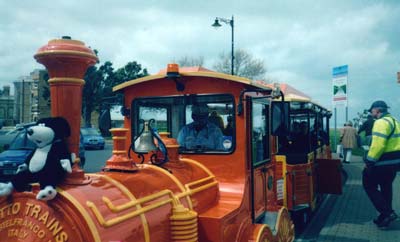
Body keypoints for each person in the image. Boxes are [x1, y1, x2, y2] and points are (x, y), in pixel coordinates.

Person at [362, 100, 400, 229]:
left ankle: (388, 213)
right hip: (394, 162)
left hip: (382, 162)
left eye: (372, 110)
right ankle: (383, 218)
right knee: (386, 187)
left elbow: (378, 144)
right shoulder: (394, 121)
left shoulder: (380, 122)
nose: (371, 113)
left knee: (368, 185)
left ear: (377, 110)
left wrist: (369, 162)